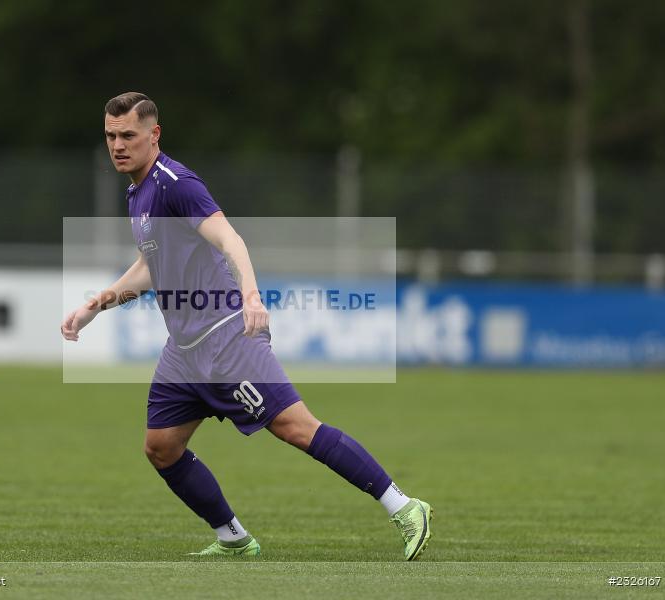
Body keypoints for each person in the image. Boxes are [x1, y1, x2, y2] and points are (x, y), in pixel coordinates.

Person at [62, 92, 432, 559]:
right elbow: (150, 266)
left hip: (225, 337)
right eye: (111, 136)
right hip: (185, 350)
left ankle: (404, 506)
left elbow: (229, 238)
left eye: (128, 135)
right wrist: (97, 304)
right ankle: (233, 537)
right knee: (161, 447)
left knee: (296, 428)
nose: (118, 145)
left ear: (154, 135)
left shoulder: (177, 184)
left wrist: (252, 295)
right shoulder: (138, 191)